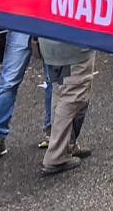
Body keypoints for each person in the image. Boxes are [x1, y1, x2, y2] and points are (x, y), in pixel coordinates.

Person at [0, 25, 54, 162]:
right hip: (24, 23)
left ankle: (54, 132)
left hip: (44, 22)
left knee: (53, 80)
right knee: (9, 83)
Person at [39, 37, 97, 176]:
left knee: (59, 93)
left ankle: (66, 146)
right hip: (74, 47)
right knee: (73, 97)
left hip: (49, 46)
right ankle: (57, 155)